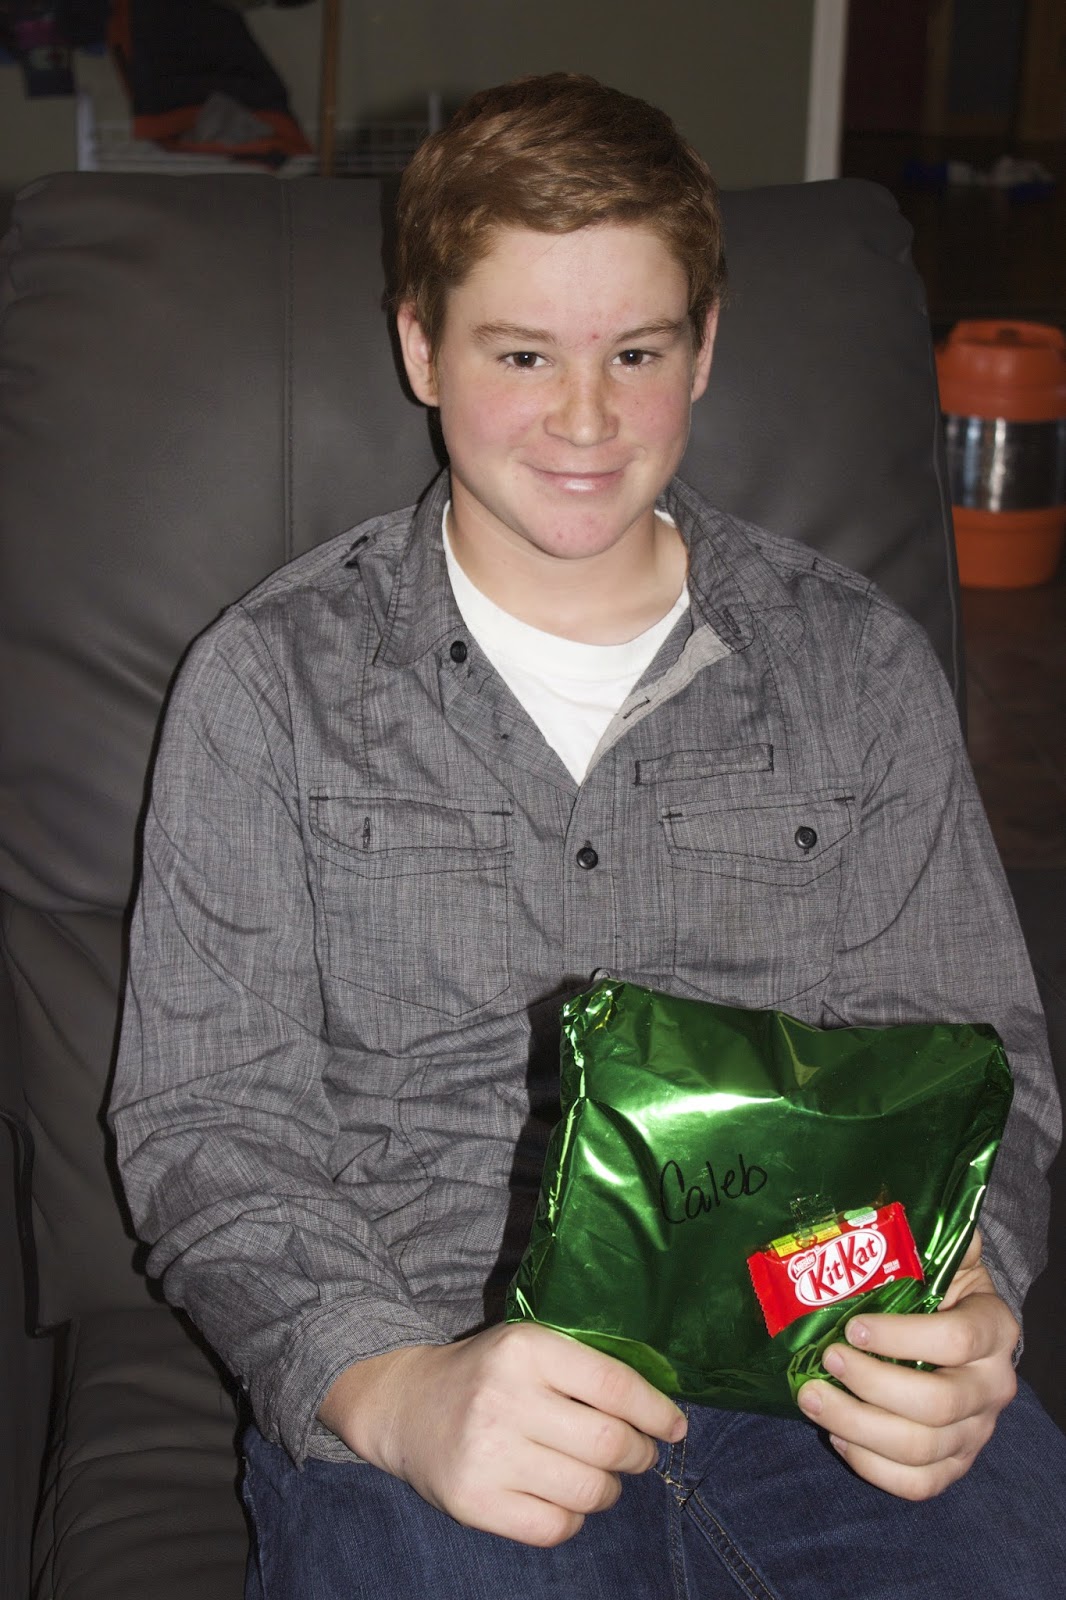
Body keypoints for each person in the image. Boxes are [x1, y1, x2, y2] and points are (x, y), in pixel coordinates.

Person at [110, 73, 1066, 1599]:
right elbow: (207, 1117)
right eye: (520, 354)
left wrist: (965, 1294)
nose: (583, 417)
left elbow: (975, 1057)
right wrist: (385, 1388)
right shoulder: (268, 686)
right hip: (439, 1368)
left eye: (635, 352)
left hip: (816, 1360)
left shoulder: (853, 668)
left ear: (704, 349)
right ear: (419, 347)